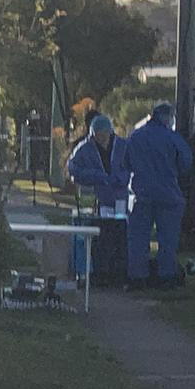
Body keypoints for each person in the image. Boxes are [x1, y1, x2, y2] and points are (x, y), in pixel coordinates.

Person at [124, 102, 192, 289]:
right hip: (168, 195)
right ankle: (166, 277)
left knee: (138, 238)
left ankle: (137, 277)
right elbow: (186, 163)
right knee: (167, 240)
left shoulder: (136, 136)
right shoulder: (172, 138)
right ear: (168, 117)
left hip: (142, 195)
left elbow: (126, 162)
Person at [67, 114, 131, 286]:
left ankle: (118, 272)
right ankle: (98, 273)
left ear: (111, 132)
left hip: (119, 200)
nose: (101, 139)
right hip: (97, 200)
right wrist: (94, 176)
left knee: (120, 234)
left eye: (104, 134)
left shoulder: (123, 146)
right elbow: (72, 168)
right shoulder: (84, 148)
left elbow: (131, 167)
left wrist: (122, 178)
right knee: (98, 236)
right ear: (92, 134)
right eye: (98, 135)